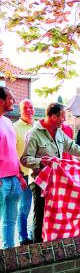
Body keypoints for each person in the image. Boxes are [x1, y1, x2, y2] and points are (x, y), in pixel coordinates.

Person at [20, 102, 80, 243]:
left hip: (56, 183)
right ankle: (37, 250)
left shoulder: (59, 132)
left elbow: (72, 146)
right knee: (40, 217)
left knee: (54, 217)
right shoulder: (34, 134)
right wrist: (40, 162)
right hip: (40, 183)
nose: (64, 120)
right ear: (53, 116)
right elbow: (24, 159)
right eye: (62, 117)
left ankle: (52, 246)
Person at [0, 86, 27, 248]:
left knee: (10, 221)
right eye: (10, 98)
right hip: (1, 181)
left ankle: (8, 257)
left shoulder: (8, 121)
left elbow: (12, 150)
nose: (14, 101)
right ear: (1, 101)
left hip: (14, 179)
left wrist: (19, 175)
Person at [13, 99, 35, 245]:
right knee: (24, 208)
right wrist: (18, 174)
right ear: (20, 110)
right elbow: (12, 153)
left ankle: (34, 234)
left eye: (31, 107)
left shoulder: (38, 126)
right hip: (24, 175)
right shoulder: (15, 127)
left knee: (39, 209)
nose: (28, 110)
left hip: (39, 174)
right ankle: (23, 238)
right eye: (25, 107)